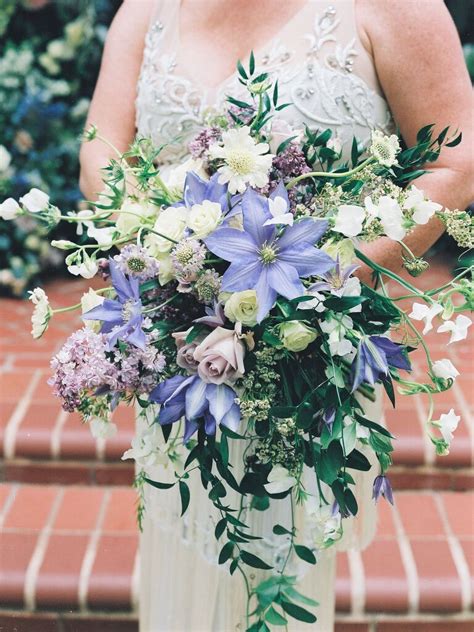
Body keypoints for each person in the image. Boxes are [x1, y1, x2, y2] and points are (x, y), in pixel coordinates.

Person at [79, 1, 473, 630]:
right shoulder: (145, 9)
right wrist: (167, 264)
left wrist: (318, 290)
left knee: (284, 568)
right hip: (188, 360)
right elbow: (102, 159)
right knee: (186, 553)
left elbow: (456, 161)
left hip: (305, 362)